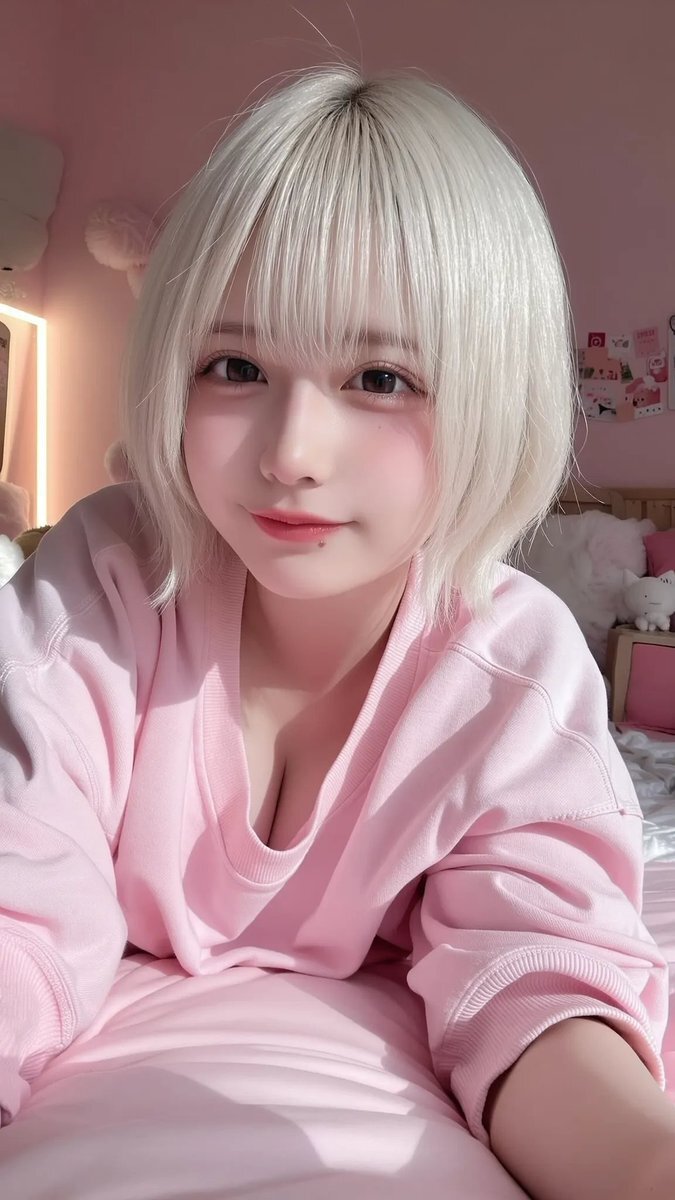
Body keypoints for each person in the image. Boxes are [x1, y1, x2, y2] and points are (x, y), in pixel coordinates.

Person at [0, 66, 673, 1198]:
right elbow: (18, 907)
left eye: (380, 377)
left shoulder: (513, 672)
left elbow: (536, 988)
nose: (291, 452)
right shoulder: (105, 583)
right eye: (235, 367)